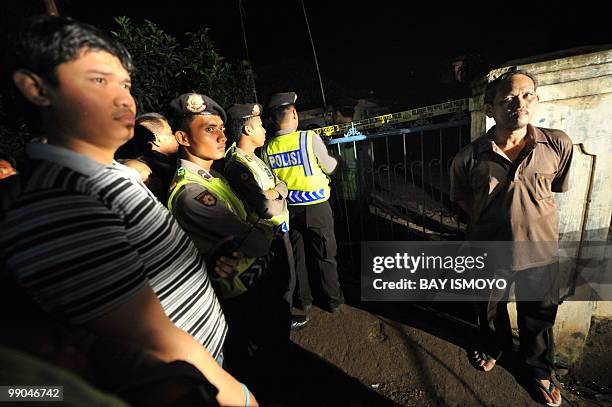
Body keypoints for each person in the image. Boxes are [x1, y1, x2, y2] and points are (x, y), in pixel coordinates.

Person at [0, 15, 255, 406]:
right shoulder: (60, 201)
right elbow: (149, 341)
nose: (124, 99)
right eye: (99, 80)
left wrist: (200, 263)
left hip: (203, 362)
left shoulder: (106, 175)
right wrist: (239, 396)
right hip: (185, 384)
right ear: (37, 89)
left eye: (126, 84)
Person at [450, 70, 573, 406]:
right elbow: (463, 200)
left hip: (541, 251)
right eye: (507, 99)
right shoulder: (469, 157)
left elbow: (556, 186)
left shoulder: (557, 143)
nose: (519, 103)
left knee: (539, 318)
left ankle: (538, 370)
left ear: (536, 98)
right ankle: (492, 346)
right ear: (490, 108)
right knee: (489, 310)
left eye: (527, 95)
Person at [166, 93, 291, 402]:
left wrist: (257, 224)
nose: (222, 136)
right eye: (209, 129)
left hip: (256, 281)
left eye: (222, 127)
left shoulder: (214, 176)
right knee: (263, 371)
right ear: (182, 137)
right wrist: (261, 227)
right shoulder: (191, 192)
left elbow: (252, 220)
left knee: (276, 359)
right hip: (243, 296)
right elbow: (257, 237)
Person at [224, 102, 309, 330]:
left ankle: (282, 316)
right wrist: (274, 193)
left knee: (285, 279)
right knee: (278, 283)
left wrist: (275, 192)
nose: (264, 130)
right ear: (248, 130)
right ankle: (279, 323)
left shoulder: (255, 158)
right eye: (260, 125)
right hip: (267, 233)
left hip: (277, 229)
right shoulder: (237, 165)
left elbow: (279, 185)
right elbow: (266, 207)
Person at [262, 91, 344, 313]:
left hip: (290, 210)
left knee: (298, 256)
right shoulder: (308, 138)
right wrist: (337, 163)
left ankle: (304, 299)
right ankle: (332, 300)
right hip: (317, 207)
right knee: (326, 255)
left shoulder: (267, 147)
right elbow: (329, 166)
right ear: (294, 114)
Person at [116, 112, 178, 202]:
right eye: (170, 133)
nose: (175, 137)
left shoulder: (161, 163)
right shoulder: (142, 172)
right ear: (157, 139)